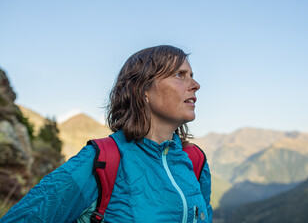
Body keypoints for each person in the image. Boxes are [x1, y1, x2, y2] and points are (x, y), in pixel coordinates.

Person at [0, 45, 212, 222]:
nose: (195, 85)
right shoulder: (100, 161)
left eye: (191, 76)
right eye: (179, 75)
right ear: (143, 90)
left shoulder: (195, 162)